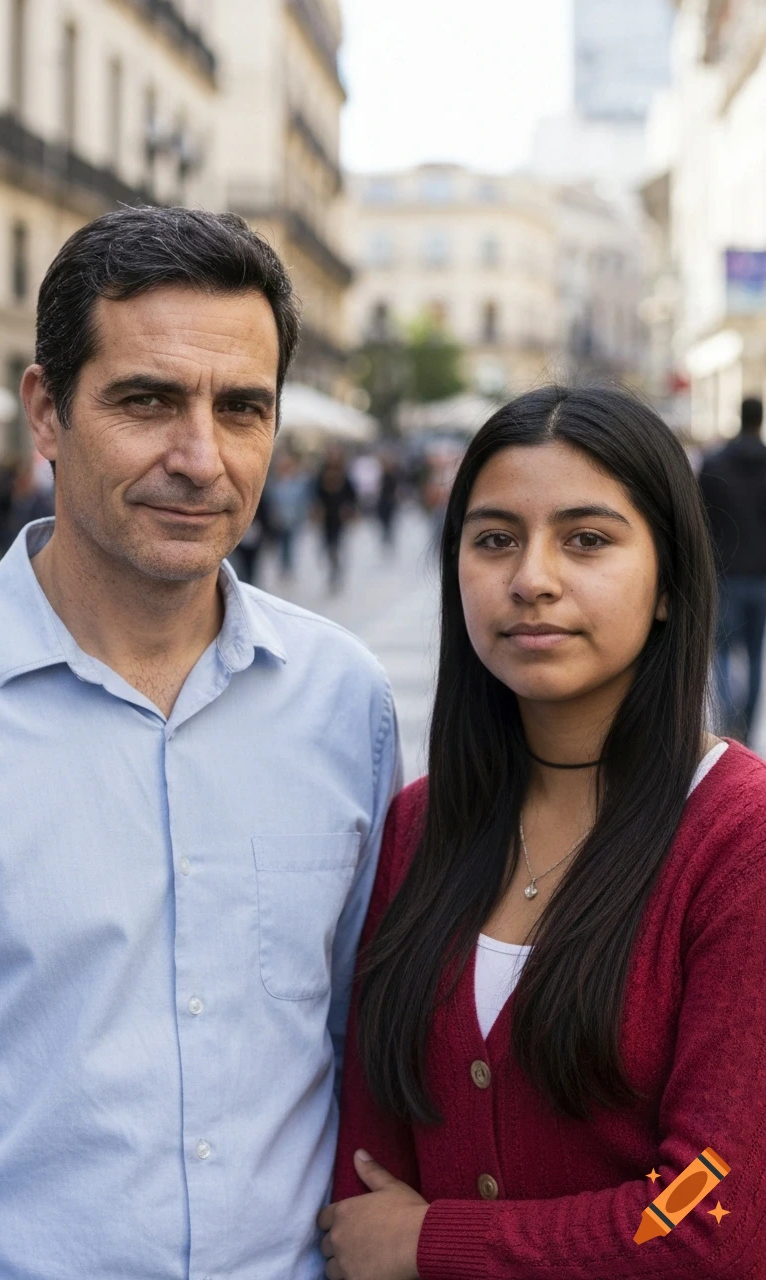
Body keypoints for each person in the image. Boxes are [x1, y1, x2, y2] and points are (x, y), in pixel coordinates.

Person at [0, 206, 400, 1279]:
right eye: (148, 400)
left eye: (241, 408)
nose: (199, 457)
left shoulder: (344, 698)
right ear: (45, 411)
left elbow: (359, 1041)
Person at [321, 386, 766, 1279]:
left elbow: (710, 1206)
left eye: (587, 539)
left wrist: (433, 1242)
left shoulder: (739, 839)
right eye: (494, 540)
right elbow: (366, 1160)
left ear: (671, 583)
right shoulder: (421, 820)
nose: (532, 577)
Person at [699, 395, 766, 741]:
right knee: (755, 655)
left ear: (739, 418)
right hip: (761, 578)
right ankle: (747, 731)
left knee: (723, 651)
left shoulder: (715, 463)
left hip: (725, 574)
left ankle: (729, 727)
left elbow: (700, 521)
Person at [314, 445, 358, 593]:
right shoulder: (321, 474)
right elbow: (316, 494)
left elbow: (352, 495)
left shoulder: (344, 475)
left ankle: (336, 572)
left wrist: (349, 509)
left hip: (339, 517)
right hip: (326, 517)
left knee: (337, 546)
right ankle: (333, 571)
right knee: (328, 546)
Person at [265, 450, 310, 577]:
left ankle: (289, 566)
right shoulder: (274, 483)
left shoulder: (298, 481)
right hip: (279, 519)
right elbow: (270, 501)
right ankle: (283, 566)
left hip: (293, 518)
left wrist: (302, 515)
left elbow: (303, 500)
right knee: (281, 544)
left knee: (290, 543)